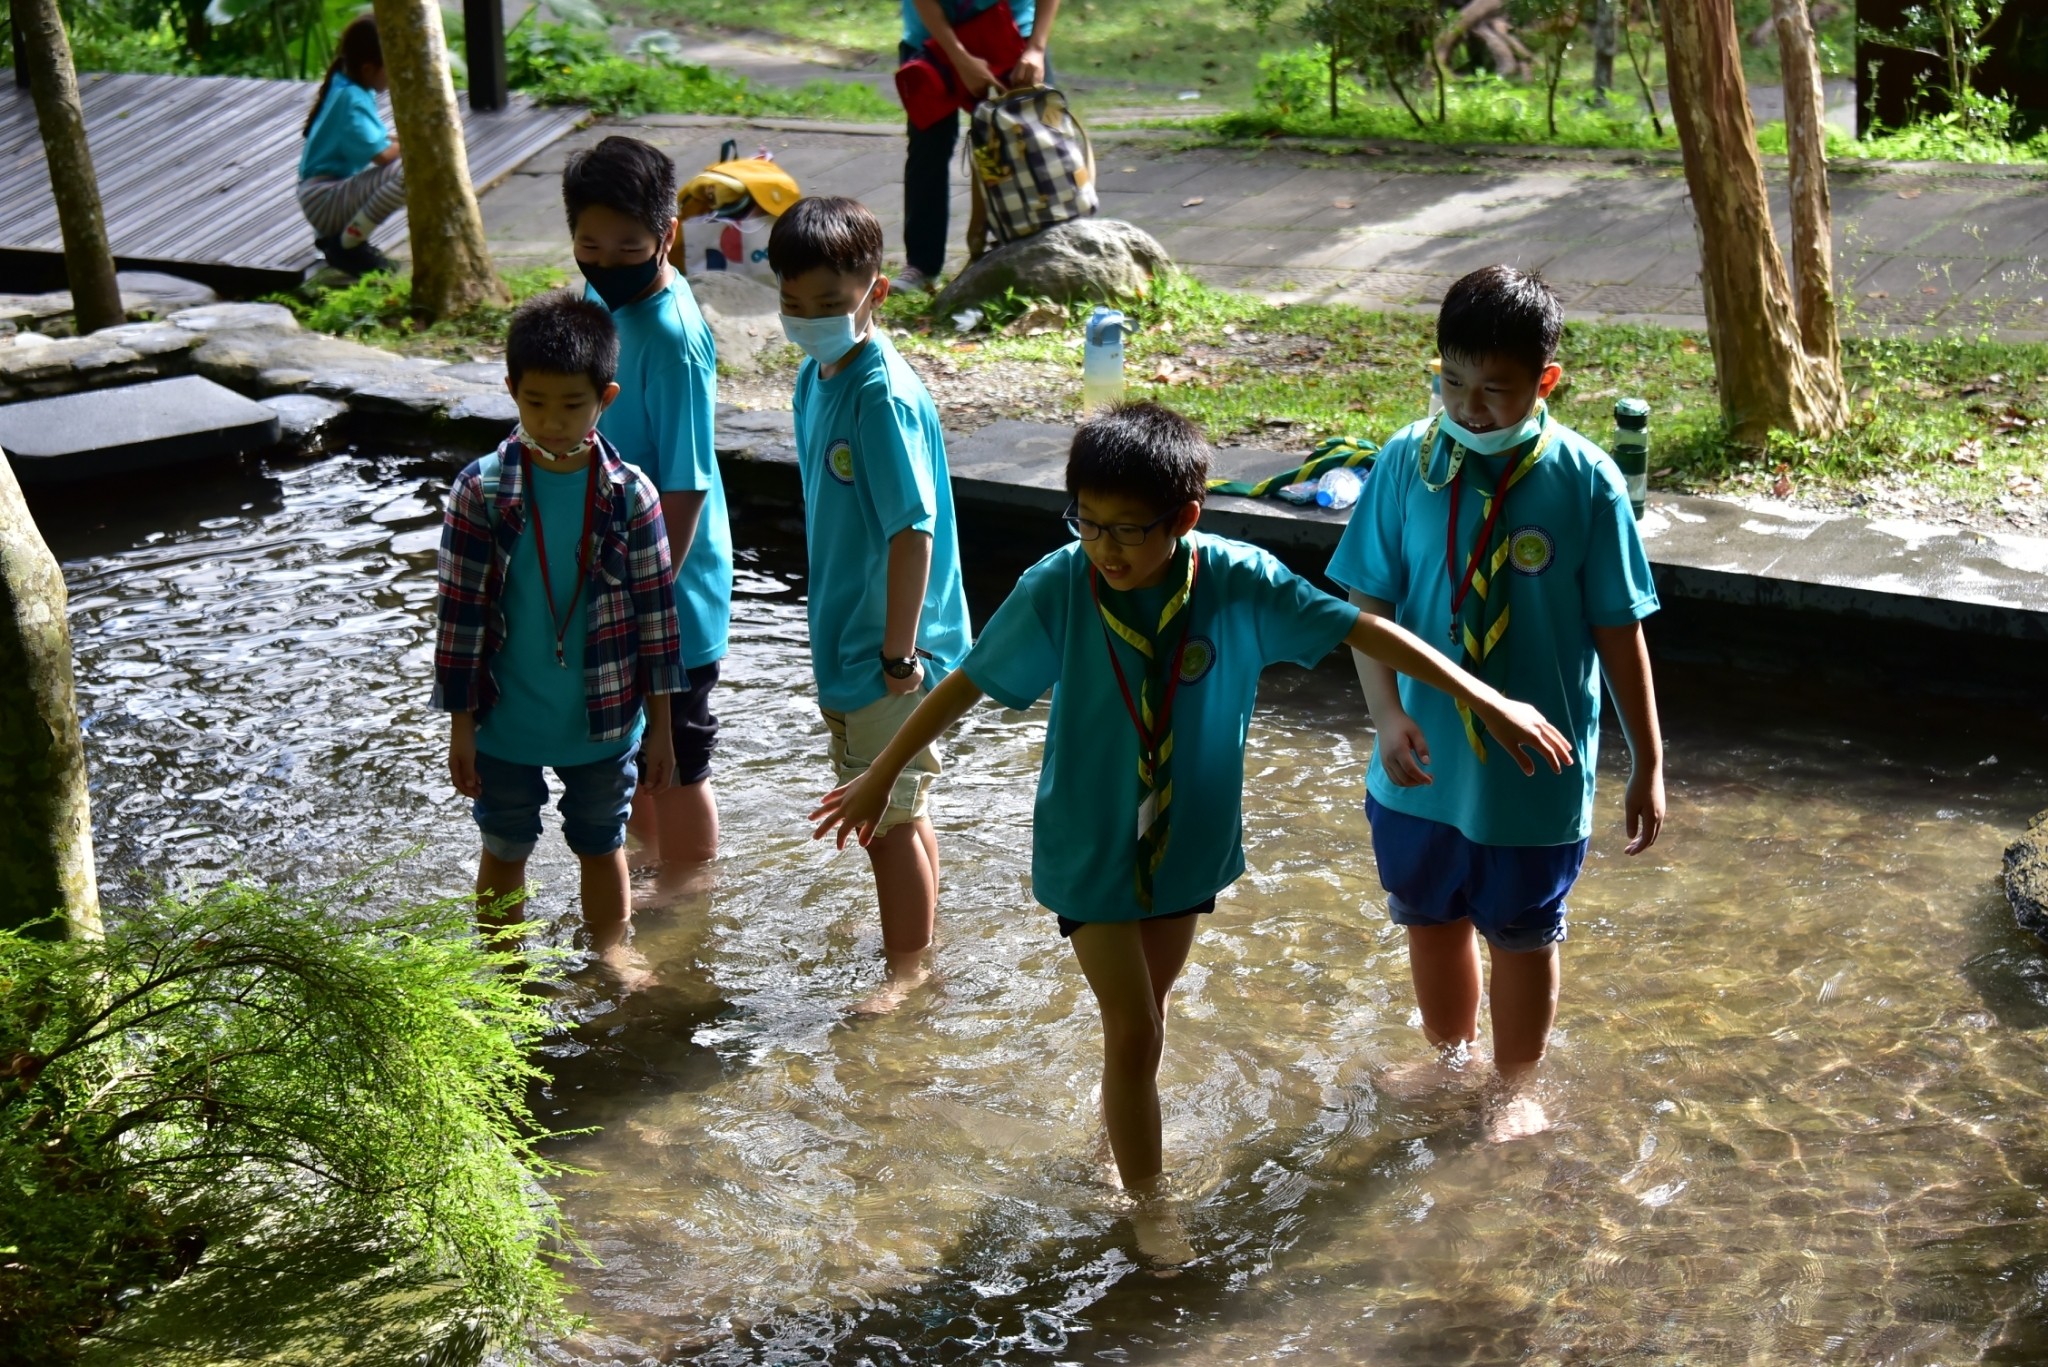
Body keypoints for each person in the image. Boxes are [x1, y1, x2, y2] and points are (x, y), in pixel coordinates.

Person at [810, 402, 1572, 1252]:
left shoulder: (1238, 581)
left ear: (1185, 518)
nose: (1106, 548)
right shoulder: (1060, 585)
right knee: (1133, 1024)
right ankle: (1150, 1212)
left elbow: (1365, 629)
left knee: (1151, 1011)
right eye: (1088, 522)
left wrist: (1485, 697)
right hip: (1090, 844)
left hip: (1184, 846)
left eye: (1128, 529)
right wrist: (883, 773)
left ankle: (1112, 1141)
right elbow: (969, 681)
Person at [1326, 264, 1666, 1142]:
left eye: (1495, 390)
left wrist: (1648, 760)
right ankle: (1451, 1058)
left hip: (1531, 773)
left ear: (1546, 381)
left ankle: (1515, 1084)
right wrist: (1386, 714)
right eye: (1453, 383)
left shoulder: (1585, 481)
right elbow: (1368, 604)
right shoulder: (1406, 464)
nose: (1470, 409)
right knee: (1428, 915)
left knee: (1523, 930)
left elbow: (1619, 630)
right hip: (1420, 761)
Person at [433, 291, 683, 983]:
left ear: (605, 398)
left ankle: (611, 953)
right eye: (535, 402)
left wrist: (662, 730)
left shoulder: (631, 495)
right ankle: (503, 973)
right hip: (503, 718)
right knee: (504, 842)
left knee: (601, 842)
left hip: (603, 717)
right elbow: (459, 620)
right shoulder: (481, 492)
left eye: (572, 405)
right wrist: (460, 728)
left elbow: (659, 622)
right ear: (510, 389)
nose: (551, 421)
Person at [769, 196, 973, 1012]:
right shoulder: (816, 376)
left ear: (875, 292)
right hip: (855, 634)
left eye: (829, 303)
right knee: (901, 809)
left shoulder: (879, 396)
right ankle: (920, 939)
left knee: (886, 818)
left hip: (893, 649)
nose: (808, 319)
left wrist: (899, 654)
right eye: (792, 301)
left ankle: (908, 973)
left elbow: (912, 532)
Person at [562, 136, 732, 885]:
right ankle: (648, 871)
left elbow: (688, 484)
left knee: (683, 752)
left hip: (672, 588)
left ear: (667, 236)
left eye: (627, 248)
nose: (605, 263)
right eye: (589, 247)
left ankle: (690, 897)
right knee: (634, 747)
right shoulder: (602, 295)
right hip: (615, 576)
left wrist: (651, 596)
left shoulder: (672, 338)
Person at [893, 0, 1060, 293]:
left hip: (1012, 33)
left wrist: (1036, 48)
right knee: (928, 149)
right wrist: (960, 58)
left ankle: (1031, 253)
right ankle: (921, 265)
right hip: (930, 36)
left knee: (1030, 149)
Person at [297, 16, 402, 278]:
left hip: (321, 195)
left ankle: (344, 242)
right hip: (323, 199)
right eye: (391, 67)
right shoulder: (352, 101)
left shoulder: (348, 83)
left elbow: (382, 140)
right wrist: (419, 142)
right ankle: (348, 247)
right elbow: (383, 155)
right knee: (409, 172)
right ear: (368, 69)